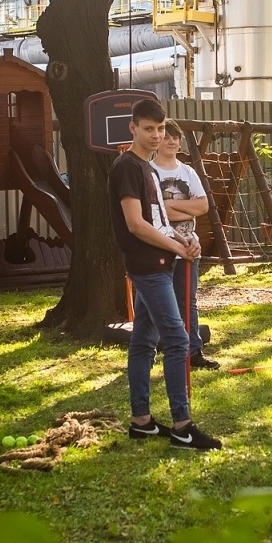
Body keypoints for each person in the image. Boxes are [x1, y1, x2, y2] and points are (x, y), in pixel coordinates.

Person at [111, 99, 220, 450]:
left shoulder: (149, 169)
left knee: (144, 341)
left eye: (160, 128)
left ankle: (141, 421)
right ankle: (183, 427)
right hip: (148, 266)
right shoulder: (128, 167)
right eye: (149, 129)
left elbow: (157, 221)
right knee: (177, 340)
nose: (156, 135)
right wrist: (176, 247)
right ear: (133, 128)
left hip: (162, 261)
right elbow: (135, 224)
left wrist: (183, 239)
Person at [152, 120, 219, 370]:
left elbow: (202, 206)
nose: (171, 141)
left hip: (190, 247)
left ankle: (194, 352)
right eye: (167, 136)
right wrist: (183, 209)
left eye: (175, 137)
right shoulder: (149, 172)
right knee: (156, 302)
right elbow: (154, 213)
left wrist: (170, 205)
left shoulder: (188, 172)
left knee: (187, 301)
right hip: (159, 247)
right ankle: (155, 350)